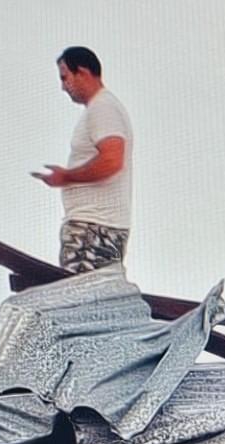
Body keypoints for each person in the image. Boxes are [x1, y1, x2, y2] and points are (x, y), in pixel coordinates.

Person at [32, 46, 133, 274]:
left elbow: (112, 160)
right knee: (93, 299)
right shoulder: (103, 108)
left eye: (65, 77)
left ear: (83, 72)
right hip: (98, 228)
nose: (62, 86)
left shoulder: (103, 108)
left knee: (82, 298)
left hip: (94, 229)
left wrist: (66, 177)